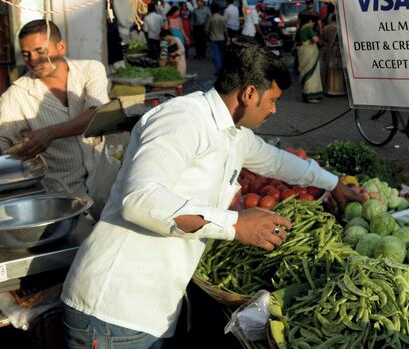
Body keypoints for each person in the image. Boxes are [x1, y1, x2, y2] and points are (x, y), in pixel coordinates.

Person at [60, 44, 367, 347]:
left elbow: (275, 160)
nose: (274, 110)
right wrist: (235, 225)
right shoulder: (182, 120)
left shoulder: (233, 133)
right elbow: (140, 201)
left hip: (151, 307)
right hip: (113, 309)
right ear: (249, 94)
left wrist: (332, 183)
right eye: (272, 100)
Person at [0, 20, 117, 205]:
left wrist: (49, 133)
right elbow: (3, 142)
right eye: (26, 54)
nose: (33, 60)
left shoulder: (90, 70)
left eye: (40, 51)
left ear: (61, 47)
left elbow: (97, 115)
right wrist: (18, 151)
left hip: (105, 183)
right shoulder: (16, 95)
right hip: (62, 197)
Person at [297, 13, 324, 103]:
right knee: (311, 74)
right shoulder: (308, 28)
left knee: (306, 72)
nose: (313, 24)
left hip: (304, 53)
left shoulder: (301, 28)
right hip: (309, 54)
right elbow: (315, 39)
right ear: (310, 21)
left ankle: (306, 94)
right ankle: (311, 96)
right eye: (313, 22)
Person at [321, 5, 346, 96]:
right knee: (338, 71)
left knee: (330, 70)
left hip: (328, 49)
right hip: (337, 50)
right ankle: (339, 90)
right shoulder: (340, 28)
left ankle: (329, 89)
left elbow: (323, 38)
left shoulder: (326, 27)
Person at [206, 2, 227, 73]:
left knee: (216, 55)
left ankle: (219, 70)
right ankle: (223, 69)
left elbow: (206, 29)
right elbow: (225, 29)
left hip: (213, 38)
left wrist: (208, 35)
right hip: (222, 38)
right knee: (222, 54)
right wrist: (227, 38)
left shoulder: (211, 18)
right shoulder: (222, 18)